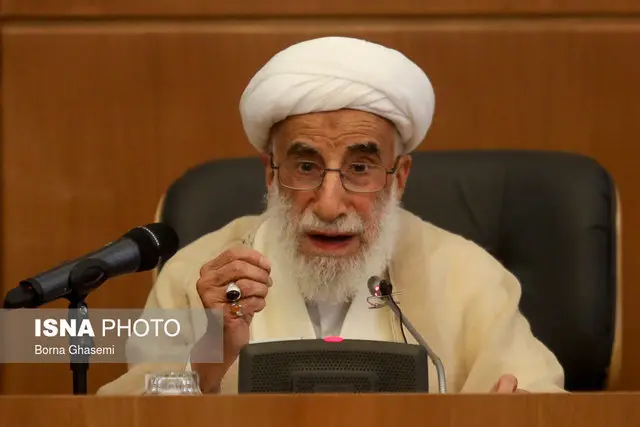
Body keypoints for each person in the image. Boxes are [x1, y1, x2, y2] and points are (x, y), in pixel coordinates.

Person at [98, 36, 565, 395]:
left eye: (360, 168)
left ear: (399, 177)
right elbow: (128, 414)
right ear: (271, 173)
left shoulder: (467, 277)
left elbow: (537, 400)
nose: (328, 205)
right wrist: (205, 363)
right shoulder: (198, 277)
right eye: (306, 167)